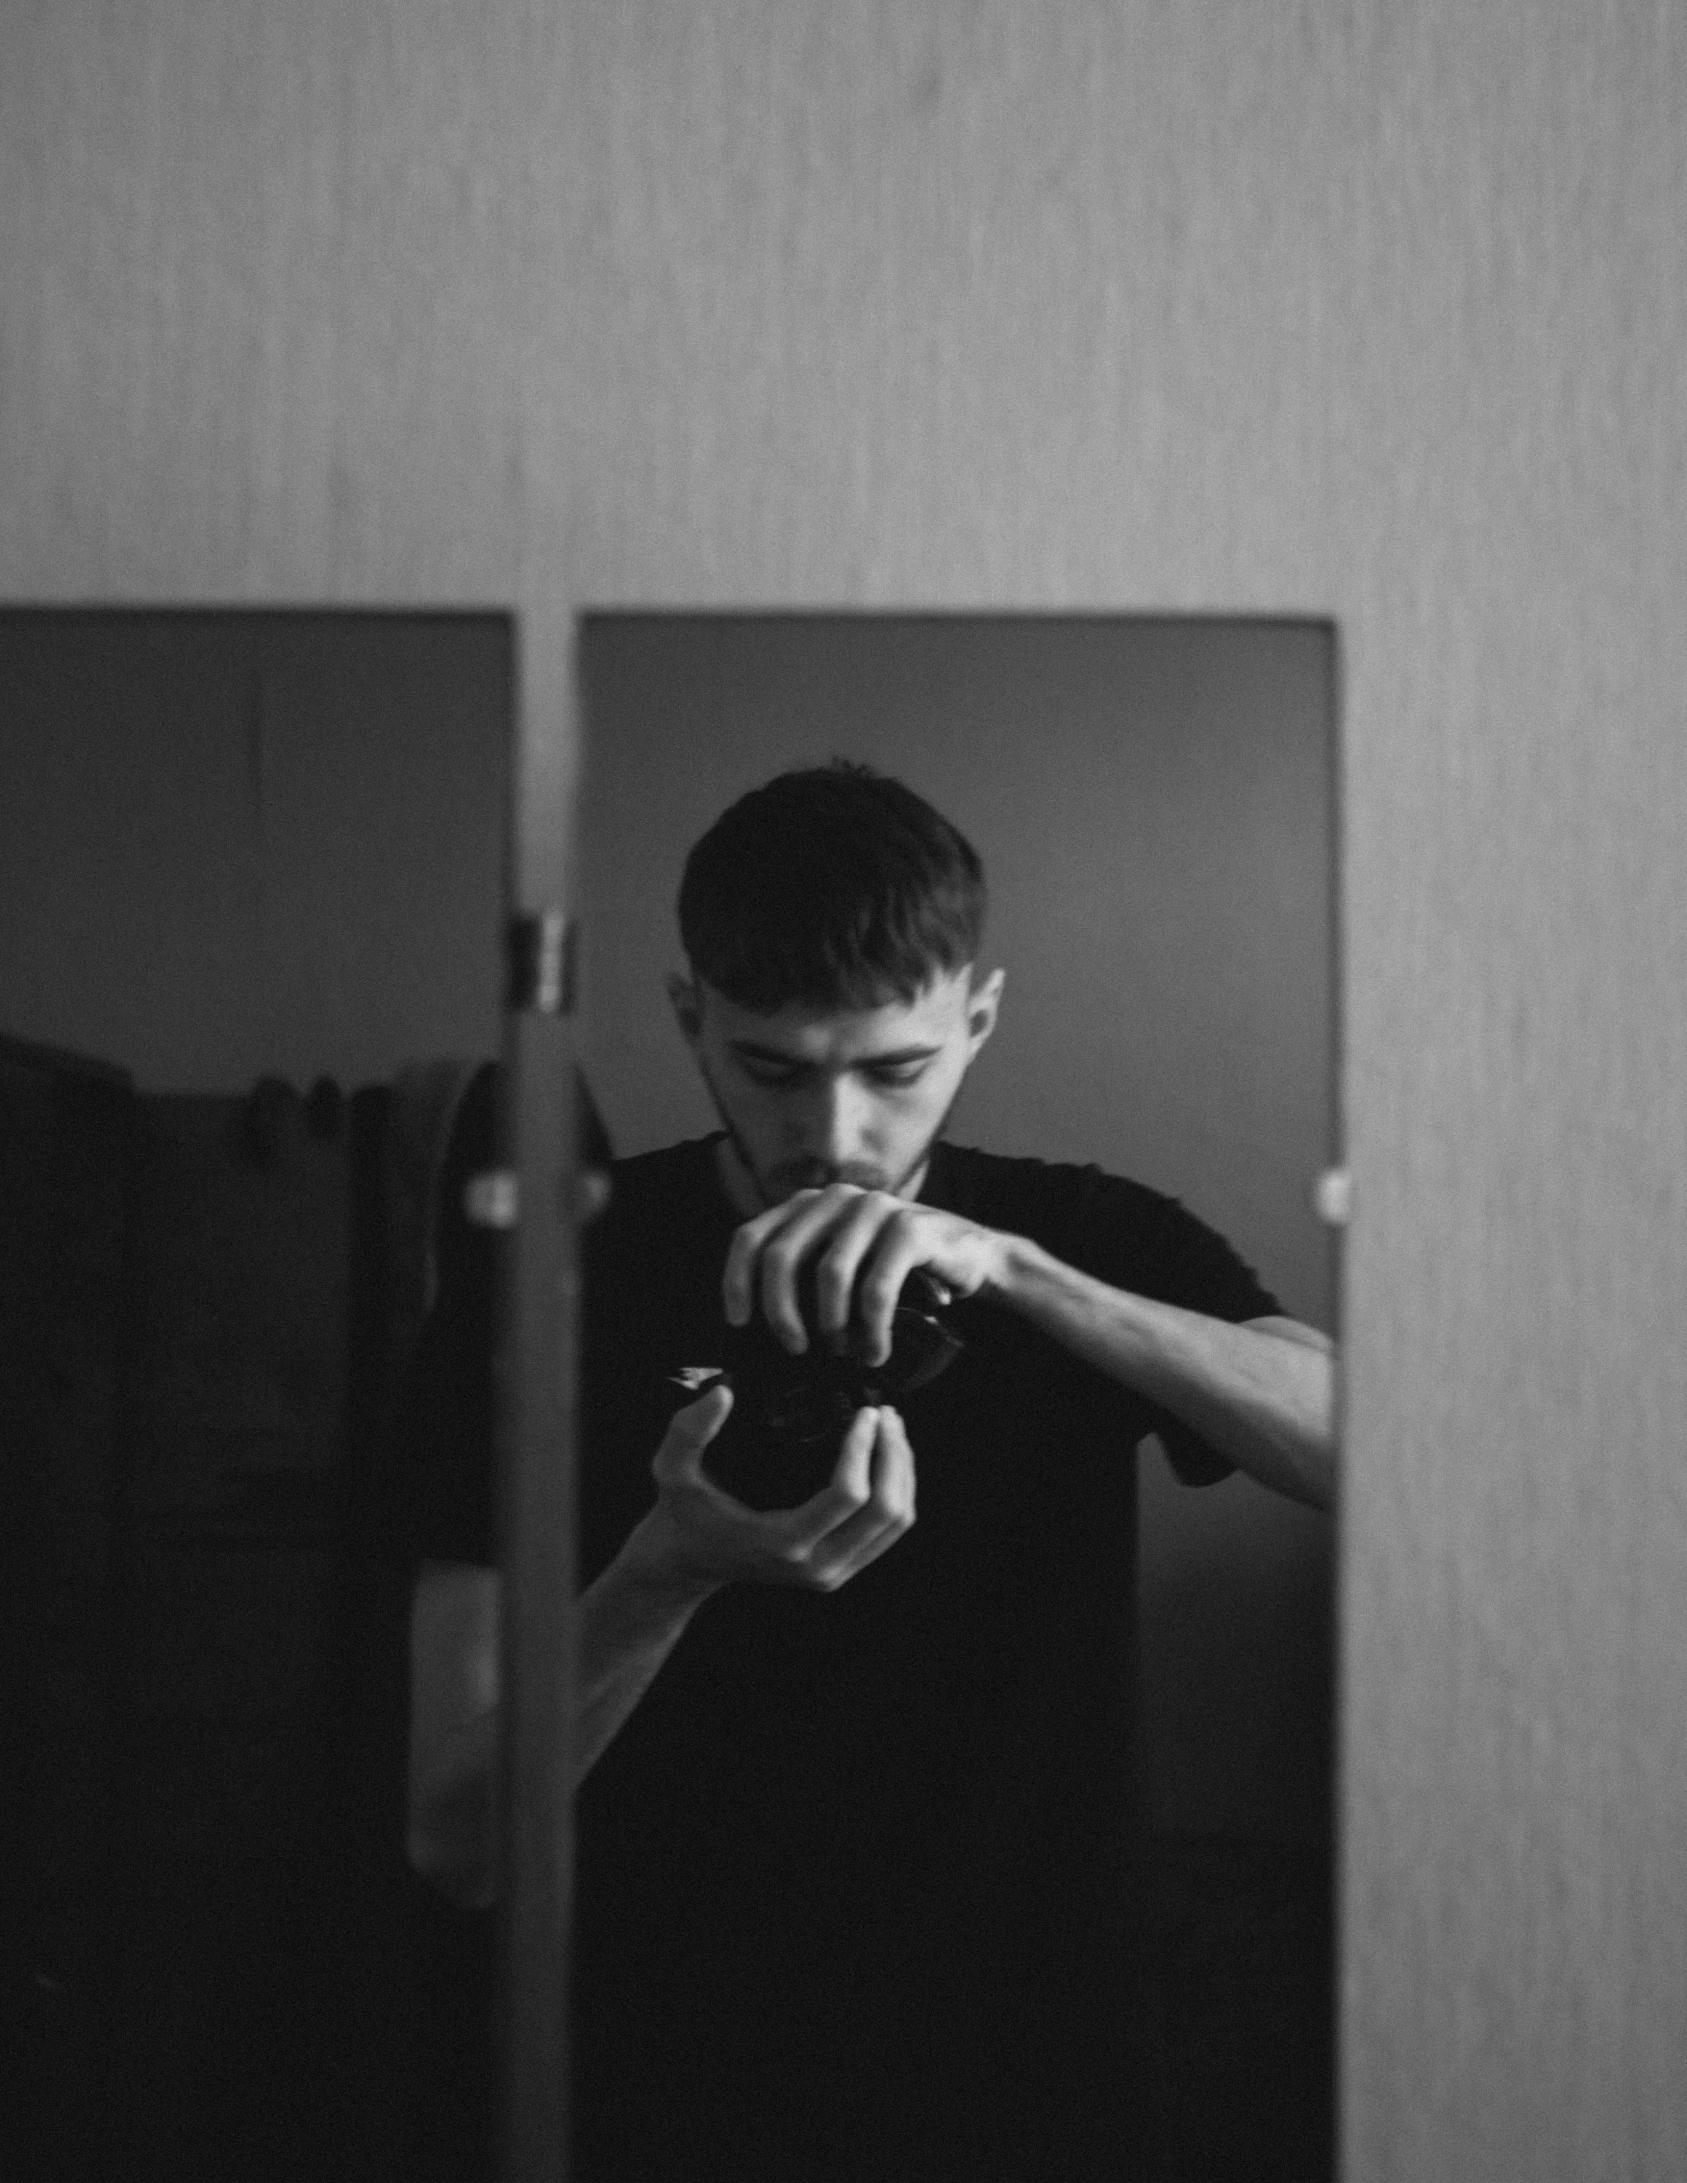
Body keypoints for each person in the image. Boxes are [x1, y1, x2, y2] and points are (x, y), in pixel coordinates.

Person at [404, 762, 1336, 2181]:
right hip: (662, 2074)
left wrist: (1018, 1273)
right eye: (771, 1067)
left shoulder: (1081, 1234)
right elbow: (457, 1834)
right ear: (689, 1020)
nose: (831, 1138)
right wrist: (663, 1575)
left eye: (892, 1070)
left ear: (976, 1020)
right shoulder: (545, 1289)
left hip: (1039, 2065)